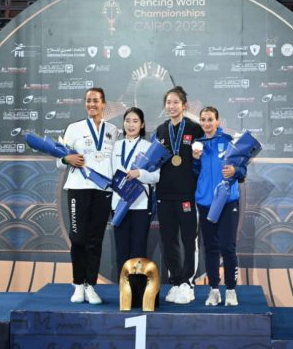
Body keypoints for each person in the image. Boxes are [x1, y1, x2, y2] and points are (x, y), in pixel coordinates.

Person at [57, 87, 119, 304]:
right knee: (78, 239)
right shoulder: (74, 128)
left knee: (95, 240)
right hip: (78, 189)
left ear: (103, 104)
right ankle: (77, 284)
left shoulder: (113, 130)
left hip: (103, 191)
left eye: (96, 100)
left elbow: (115, 161)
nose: (92, 104)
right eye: (88, 100)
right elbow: (59, 160)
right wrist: (67, 159)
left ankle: (90, 285)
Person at [154, 86, 203, 304]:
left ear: (184, 105)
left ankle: (187, 283)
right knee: (168, 240)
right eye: (168, 102)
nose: (171, 106)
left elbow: (201, 162)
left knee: (189, 239)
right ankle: (175, 281)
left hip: (187, 194)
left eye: (176, 102)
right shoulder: (160, 130)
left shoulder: (195, 129)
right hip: (164, 194)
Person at [192, 106, 246, 306]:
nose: (206, 123)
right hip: (205, 202)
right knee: (211, 248)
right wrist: (195, 160)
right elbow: (194, 173)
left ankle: (231, 290)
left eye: (210, 119)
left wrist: (235, 171)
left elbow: (242, 170)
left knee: (227, 247)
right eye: (203, 120)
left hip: (227, 201)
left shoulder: (229, 141)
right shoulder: (197, 145)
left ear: (217, 122)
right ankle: (214, 290)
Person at [111, 107, 160, 275]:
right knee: (121, 249)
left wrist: (140, 173)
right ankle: (124, 288)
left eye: (135, 121)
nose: (131, 125)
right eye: (127, 121)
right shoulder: (115, 146)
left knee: (139, 249)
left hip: (140, 205)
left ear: (142, 124)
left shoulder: (149, 147)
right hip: (119, 204)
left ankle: (138, 288)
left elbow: (157, 176)